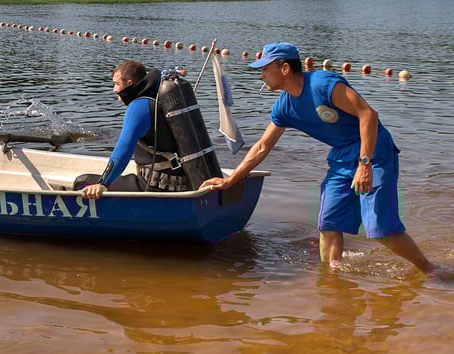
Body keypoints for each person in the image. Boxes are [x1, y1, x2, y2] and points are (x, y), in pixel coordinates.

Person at [200, 42, 435, 273]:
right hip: (341, 157)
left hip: (374, 151)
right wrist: (231, 180)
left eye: (264, 68)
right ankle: (334, 280)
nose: (261, 75)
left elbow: (368, 115)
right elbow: (262, 147)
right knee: (329, 224)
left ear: (284, 69)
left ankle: (430, 270)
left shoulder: (323, 84)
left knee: (382, 230)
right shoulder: (284, 107)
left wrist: (365, 164)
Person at [80, 60, 190, 200]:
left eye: (116, 84)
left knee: (82, 181)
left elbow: (124, 148)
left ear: (129, 84)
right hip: (181, 182)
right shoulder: (159, 98)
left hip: (153, 187)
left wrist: (103, 183)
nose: (114, 89)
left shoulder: (139, 106)